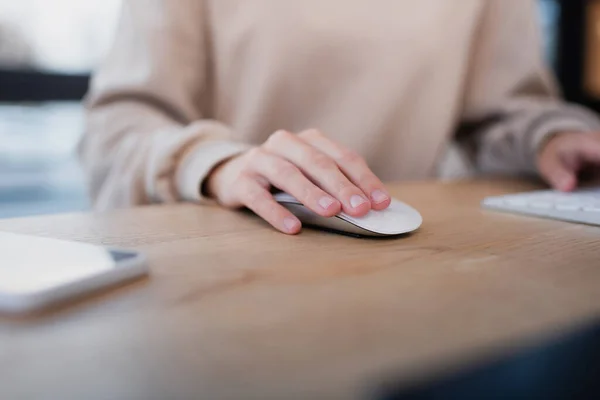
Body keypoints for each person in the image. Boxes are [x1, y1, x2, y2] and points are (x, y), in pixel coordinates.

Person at [80, 0, 600, 234]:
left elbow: (501, 113)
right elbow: (115, 130)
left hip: (418, 276)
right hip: (222, 266)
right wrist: (217, 164)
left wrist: (549, 136)